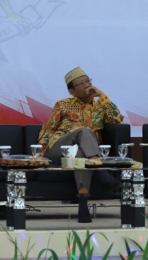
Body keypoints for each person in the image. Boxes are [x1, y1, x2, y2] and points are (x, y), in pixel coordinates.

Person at [37, 67, 125, 223]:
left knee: (80, 155)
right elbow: (48, 130)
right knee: (83, 132)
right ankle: (101, 172)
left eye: (87, 81)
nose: (87, 85)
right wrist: (39, 154)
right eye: (81, 83)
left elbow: (117, 119)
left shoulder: (100, 106)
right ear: (71, 91)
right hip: (59, 148)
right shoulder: (63, 104)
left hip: (84, 151)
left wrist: (102, 95)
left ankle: (83, 206)